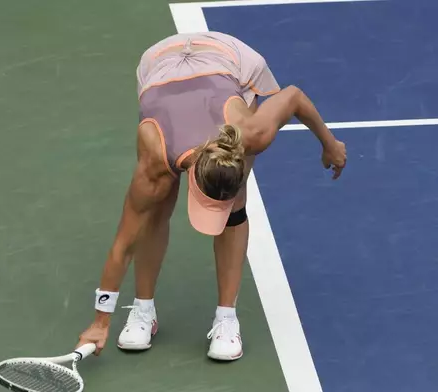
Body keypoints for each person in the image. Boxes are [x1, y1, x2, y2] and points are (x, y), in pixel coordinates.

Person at [75, 31, 347, 361]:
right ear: (192, 180)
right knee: (155, 206)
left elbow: (293, 96)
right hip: (160, 63)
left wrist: (330, 143)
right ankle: (143, 310)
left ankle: (226, 318)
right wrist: (100, 321)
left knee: (235, 209)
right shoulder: (155, 156)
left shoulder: (251, 134)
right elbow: (123, 244)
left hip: (231, 61)